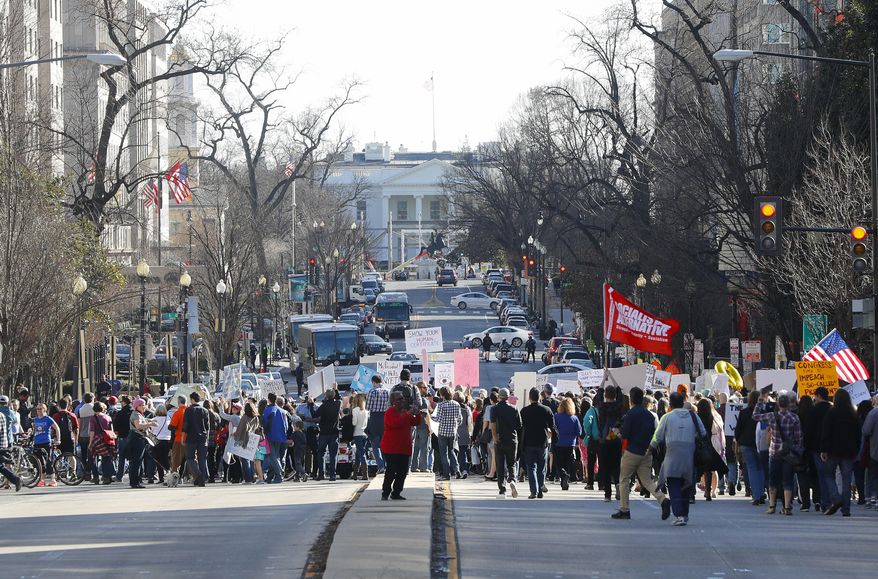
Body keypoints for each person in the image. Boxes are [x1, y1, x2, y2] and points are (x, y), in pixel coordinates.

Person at [611, 387, 671, 520]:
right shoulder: (650, 415)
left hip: (632, 451)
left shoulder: (630, 414)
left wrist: (616, 432)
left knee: (624, 479)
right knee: (647, 481)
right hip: (646, 451)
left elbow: (625, 434)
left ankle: (624, 509)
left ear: (631, 400)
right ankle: (662, 499)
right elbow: (654, 432)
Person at [650, 392, 706, 526]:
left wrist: (650, 449)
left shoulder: (667, 417)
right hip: (689, 453)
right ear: (683, 403)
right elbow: (703, 433)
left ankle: (678, 514)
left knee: (673, 483)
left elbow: (657, 437)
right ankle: (684, 514)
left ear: (670, 405)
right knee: (686, 483)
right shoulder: (694, 416)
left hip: (672, 453)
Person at [753, 392, 804, 516]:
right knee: (787, 480)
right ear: (788, 404)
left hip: (774, 451)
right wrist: (798, 450)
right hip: (788, 453)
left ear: (778, 404)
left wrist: (760, 401)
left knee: (773, 480)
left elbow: (755, 416)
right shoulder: (794, 417)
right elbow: (799, 437)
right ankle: (787, 507)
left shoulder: (771, 416)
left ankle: (772, 506)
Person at [819, 388, 862, 516]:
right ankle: (846, 509)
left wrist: (824, 449)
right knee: (846, 480)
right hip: (849, 451)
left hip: (833, 450)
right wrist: (856, 450)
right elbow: (858, 435)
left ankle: (836, 497)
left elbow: (826, 432)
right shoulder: (853, 414)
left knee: (828, 474)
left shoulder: (831, 413)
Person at [381, 391, 421, 500]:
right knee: (391, 471)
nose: (402, 401)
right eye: (399, 399)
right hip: (391, 448)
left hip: (404, 448)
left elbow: (415, 422)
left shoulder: (404, 412)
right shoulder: (390, 412)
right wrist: (407, 414)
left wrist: (417, 413)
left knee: (402, 472)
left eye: (402, 398)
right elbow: (394, 424)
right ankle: (385, 492)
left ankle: (396, 492)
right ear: (393, 401)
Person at [520, 387, 553, 499]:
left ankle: (534, 490)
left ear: (529, 398)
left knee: (531, 467)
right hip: (542, 442)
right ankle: (540, 489)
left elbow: (520, 427)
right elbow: (552, 426)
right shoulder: (547, 410)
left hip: (529, 442)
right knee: (541, 467)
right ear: (539, 397)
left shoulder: (524, 411)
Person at [735, 391, 766, 505]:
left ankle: (756, 495)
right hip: (761, 444)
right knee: (761, 468)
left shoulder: (743, 413)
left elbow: (738, 429)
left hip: (746, 443)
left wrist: (738, 440)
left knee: (752, 469)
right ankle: (762, 492)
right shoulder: (764, 413)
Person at [804, 386, 833, 511]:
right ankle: (832, 499)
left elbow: (809, 430)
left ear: (819, 396)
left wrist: (806, 446)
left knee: (822, 475)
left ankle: (826, 501)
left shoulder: (813, 411)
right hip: (832, 447)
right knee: (830, 474)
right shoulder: (833, 409)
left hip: (816, 447)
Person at [490, 388, 522, 499]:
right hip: (512, 439)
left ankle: (502, 489)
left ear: (499, 397)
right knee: (511, 462)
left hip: (499, 439)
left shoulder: (495, 409)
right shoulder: (514, 409)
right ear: (508, 397)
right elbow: (519, 425)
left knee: (500, 465)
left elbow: (492, 424)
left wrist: (494, 437)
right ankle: (513, 480)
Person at [597, 386, 625, 501]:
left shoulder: (602, 406)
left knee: (605, 466)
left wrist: (604, 378)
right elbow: (621, 395)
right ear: (615, 395)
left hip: (604, 439)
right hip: (616, 437)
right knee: (616, 464)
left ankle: (607, 494)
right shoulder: (618, 406)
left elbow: (599, 395)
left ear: (605, 395)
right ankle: (618, 484)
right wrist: (614, 380)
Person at [696, 398, 726, 501]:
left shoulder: (697, 417)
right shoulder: (716, 416)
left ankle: (706, 490)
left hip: (702, 443)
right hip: (714, 443)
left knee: (704, 469)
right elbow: (721, 430)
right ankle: (711, 491)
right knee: (712, 469)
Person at [434, 387, 463, 480]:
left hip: (443, 432)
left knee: (444, 454)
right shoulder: (456, 404)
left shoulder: (441, 405)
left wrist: (430, 416)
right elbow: (460, 419)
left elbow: (438, 419)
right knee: (451, 451)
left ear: (442, 395)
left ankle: (446, 474)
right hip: (453, 432)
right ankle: (457, 470)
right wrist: (455, 426)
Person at [553, 397, 582, 491]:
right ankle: (564, 481)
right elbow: (579, 432)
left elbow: (553, 428)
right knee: (567, 462)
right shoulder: (574, 418)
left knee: (558, 463)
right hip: (570, 444)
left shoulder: (556, 416)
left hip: (558, 443)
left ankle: (563, 476)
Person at [182, 392, 210, 487]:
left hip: (191, 437)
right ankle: (202, 479)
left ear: (192, 399)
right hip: (203, 438)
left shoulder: (188, 410)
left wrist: (183, 437)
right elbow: (207, 426)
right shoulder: (205, 410)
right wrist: (207, 438)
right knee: (202, 459)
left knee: (190, 458)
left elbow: (185, 425)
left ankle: (199, 475)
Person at [127, 399, 155, 489]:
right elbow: (138, 426)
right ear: (137, 406)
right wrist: (150, 424)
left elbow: (143, 421)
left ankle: (136, 481)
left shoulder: (138, 414)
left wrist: (149, 421)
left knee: (138, 461)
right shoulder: (136, 414)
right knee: (136, 462)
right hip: (137, 439)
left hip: (138, 439)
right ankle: (135, 482)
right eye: (142, 405)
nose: (145, 406)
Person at [31, 403, 60, 487]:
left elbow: (57, 428)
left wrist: (58, 439)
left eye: (40, 409)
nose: (38, 411)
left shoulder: (48, 419)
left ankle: (53, 479)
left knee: (48, 461)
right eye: (37, 409)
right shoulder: (35, 419)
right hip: (37, 442)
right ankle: (41, 480)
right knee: (39, 462)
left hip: (46, 442)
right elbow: (34, 431)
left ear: (45, 410)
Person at [365, 375, 389, 473]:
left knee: (375, 444)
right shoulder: (388, 391)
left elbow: (367, 407)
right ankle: (386, 464)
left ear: (374, 382)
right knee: (385, 444)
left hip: (374, 418)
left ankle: (381, 466)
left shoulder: (372, 391)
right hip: (385, 418)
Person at [315, 389, 341, 481]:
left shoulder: (324, 406)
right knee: (333, 454)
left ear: (326, 396)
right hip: (334, 432)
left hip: (324, 433)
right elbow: (339, 398)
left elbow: (315, 414)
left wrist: (311, 405)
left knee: (321, 453)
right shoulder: (338, 404)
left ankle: (321, 473)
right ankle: (332, 474)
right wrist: (336, 389)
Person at [262, 392, 289, 484]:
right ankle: (274, 476)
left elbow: (264, 423)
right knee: (276, 456)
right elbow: (286, 424)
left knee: (273, 457)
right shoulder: (282, 411)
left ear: (269, 400)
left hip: (271, 435)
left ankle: (279, 474)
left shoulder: (268, 410)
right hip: (281, 436)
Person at [411, 382, 433, 473]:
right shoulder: (423, 400)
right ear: (419, 389)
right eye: (424, 387)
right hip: (423, 426)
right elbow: (426, 415)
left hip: (415, 426)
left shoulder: (413, 399)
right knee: (424, 447)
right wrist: (430, 427)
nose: (426, 389)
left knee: (415, 448)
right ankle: (423, 467)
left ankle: (413, 467)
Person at [861, 398, 878, 509]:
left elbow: (866, 431)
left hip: (875, 449)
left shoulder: (873, 414)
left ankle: (871, 498)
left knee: (872, 475)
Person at [0, 410, 22, 491]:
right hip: (3, 444)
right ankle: (15, 480)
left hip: (1, 445)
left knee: (1, 466)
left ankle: (16, 479)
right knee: (1, 467)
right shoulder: (1, 414)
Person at [113, 396, 133, 483]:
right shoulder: (133, 412)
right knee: (133, 457)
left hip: (122, 436)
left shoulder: (120, 413)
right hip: (132, 436)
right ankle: (134, 476)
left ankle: (119, 476)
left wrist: (117, 434)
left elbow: (115, 426)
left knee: (122, 458)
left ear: (124, 402)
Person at [351, 393, 370, 481]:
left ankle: (365, 474)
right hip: (364, 434)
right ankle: (355, 473)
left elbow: (354, 423)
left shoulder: (355, 410)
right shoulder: (366, 411)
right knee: (359, 453)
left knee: (361, 454)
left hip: (357, 433)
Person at [454, 392, 473, 476]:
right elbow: (469, 423)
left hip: (454, 431)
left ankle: (455, 470)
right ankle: (464, 469)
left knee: (453, 452)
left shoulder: (453, 407)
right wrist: (470, 434)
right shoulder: (467, 409)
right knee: (463, 452)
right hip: (464, 432)